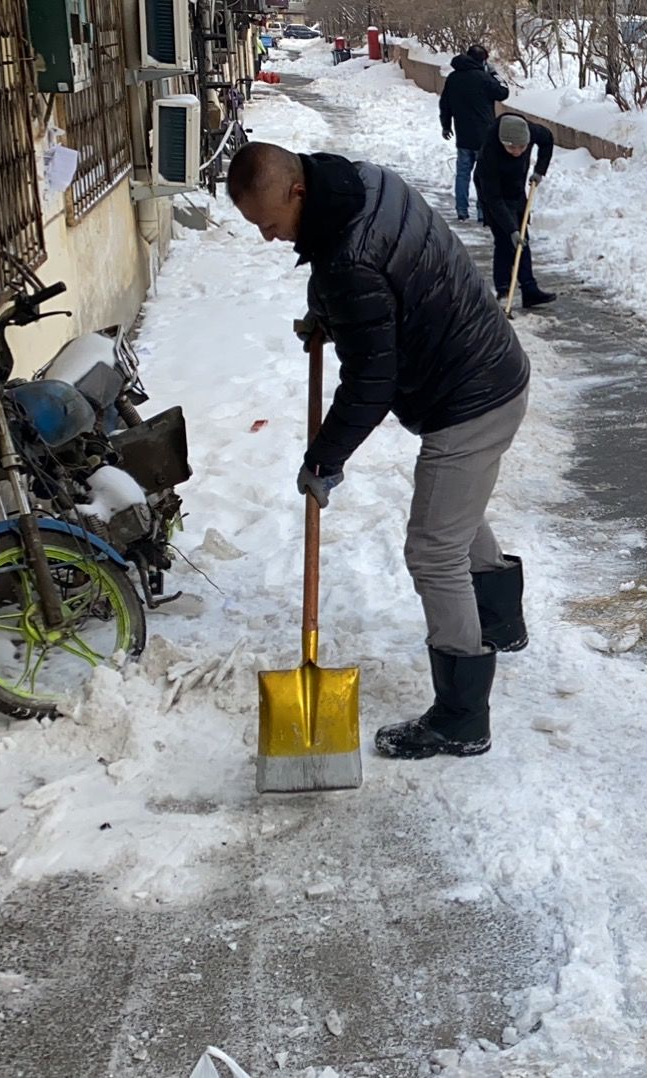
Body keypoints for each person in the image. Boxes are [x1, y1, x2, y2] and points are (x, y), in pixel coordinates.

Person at [226, 141, 531, 760]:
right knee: (455, 511)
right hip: (486, 367)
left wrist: (323, 460)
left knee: (433, 550)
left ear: (297, 193)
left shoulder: (349, 259)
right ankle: (499, 622)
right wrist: (324, 311)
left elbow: (371, 379)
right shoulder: (357, 183)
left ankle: (461, 717)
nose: (269, 238)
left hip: (471, 397)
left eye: (269, 225)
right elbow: (349, 271)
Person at [475, 114, 557, 309]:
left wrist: (539, 170)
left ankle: (529, 290)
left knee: (522, 242)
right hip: (494, 195)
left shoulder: (530, 131)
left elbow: (547, 140)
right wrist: (511, 229)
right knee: (505, 240)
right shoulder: (490, 153)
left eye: (522, 147)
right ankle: (504, 290)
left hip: (517, 190)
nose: (517, 152)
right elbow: (493, 198)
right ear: (503, 142)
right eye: (511, 147)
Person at [438, 43, 509, 222]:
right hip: (484, 136)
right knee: (484, 175)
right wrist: (494, 74)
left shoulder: (453, 78)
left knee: (463, 173)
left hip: (463, 135)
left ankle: (462, 210)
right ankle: (482, 212)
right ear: (483, 60)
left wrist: (446, 125)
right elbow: (503, 92)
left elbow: (444, 104)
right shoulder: (484, 78)